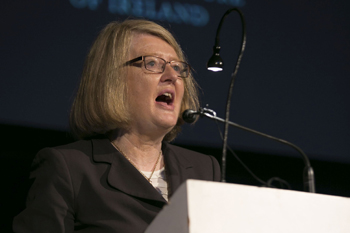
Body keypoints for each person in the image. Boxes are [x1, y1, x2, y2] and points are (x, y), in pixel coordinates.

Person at [13, 19, 221, 233]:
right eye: (152, 64)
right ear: (113, 79)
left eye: (177, 67)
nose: (172, 77)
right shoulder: (68, 170)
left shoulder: (204, 169)